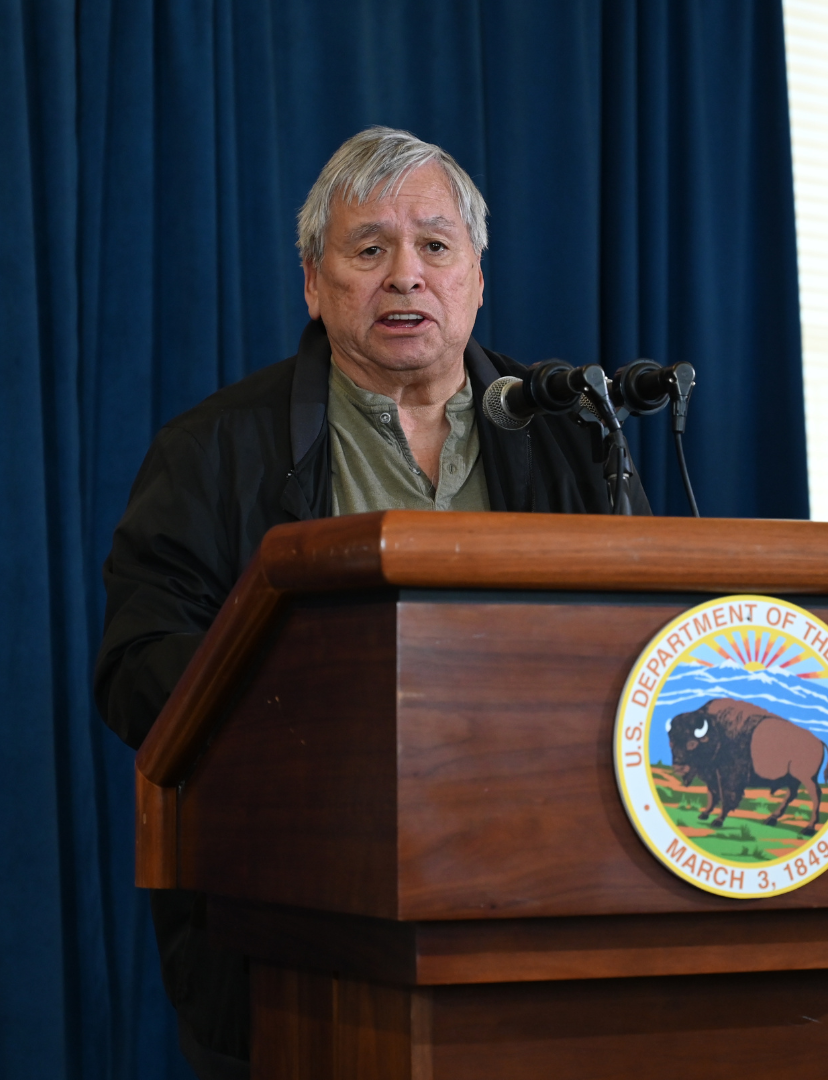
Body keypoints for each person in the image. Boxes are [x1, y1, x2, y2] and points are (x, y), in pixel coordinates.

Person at [94, 126, 650, 1079]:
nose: (406, 276)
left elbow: (651, 638)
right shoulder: (213, 450)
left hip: (552, 901)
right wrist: (308, 725)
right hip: (306, 923)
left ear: (478, 278)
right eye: (369, 249)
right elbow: (140, 660)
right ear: (315, 284)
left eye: (436, 246)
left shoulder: (572, 437)